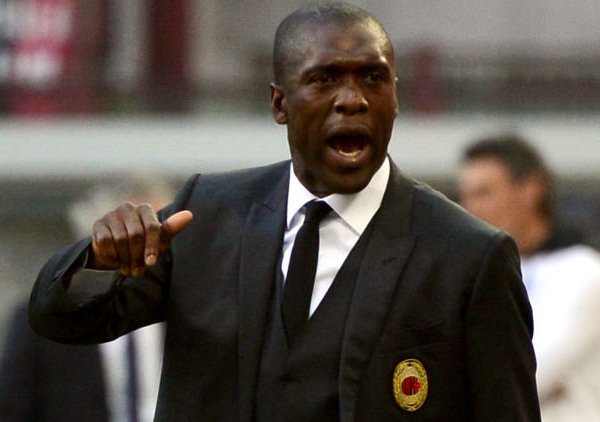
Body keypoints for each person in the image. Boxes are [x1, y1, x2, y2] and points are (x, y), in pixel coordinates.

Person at [28, 3, 541, 421]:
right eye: (325, 79)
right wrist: (98, 260)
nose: (353, 100)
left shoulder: (469, 255)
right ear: (280, 104)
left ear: (395, 97)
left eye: (373, 78)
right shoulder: (205, 215)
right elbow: (62, 320)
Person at [0, 175, 170, 422]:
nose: (151, 249)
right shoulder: (44, 322)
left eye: (160, 234)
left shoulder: (191, 314)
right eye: (134, 236)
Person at [458, 134, 600, 422]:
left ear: (531, 190)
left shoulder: (582, 271)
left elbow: (522, 377)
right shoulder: (478, 274)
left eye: (484, 193)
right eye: (466, 196)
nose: (470, 208)